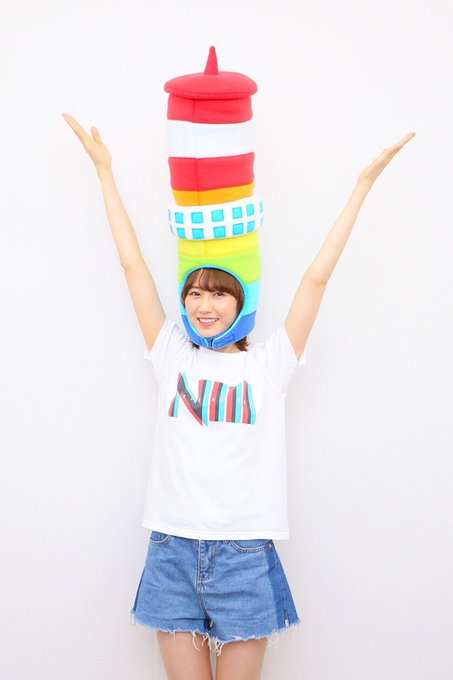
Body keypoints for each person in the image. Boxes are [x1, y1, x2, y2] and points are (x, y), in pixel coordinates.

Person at [62, 111, 415, 680]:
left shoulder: (269, 366)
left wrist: (361, 187)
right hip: (172, 551)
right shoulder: (172, 355)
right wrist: (105, 172)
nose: (204, 305)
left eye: (219, 294)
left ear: (242, 301)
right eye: (195, 292)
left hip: (244, 558)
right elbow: (132, 267)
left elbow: (316, 281)